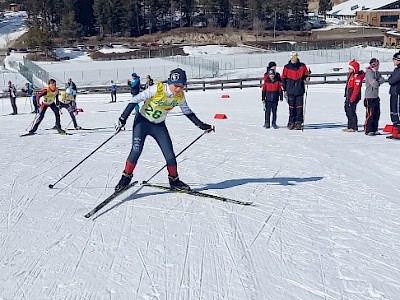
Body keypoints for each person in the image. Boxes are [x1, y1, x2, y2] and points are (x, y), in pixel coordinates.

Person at [114, 68, 213, 192]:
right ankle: (125, 178)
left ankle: (174, 180)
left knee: (170, 155)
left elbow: (187, 112)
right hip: (142, 122)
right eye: (176, 85)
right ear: (170, 82)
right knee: (136, 150)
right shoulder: (158, 88)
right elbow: (135, 100)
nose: (178, 89)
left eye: (182, 86)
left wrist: (201, 125)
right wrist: (123, 118)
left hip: (159, 126)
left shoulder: (180, 96)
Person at [281, 51, 310, 130]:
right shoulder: (287, 67)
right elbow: (283, 78)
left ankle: (298, 122)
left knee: (299, 107)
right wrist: (285, 89)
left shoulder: (302, 66)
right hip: (290, 90)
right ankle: (291, 122)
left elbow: (306, 75)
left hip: (299, 90)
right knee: (291, 107)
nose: (295, 58)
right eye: (294, 57)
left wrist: (307, 77)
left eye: (296, 57)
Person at [364, 58, 385, 136]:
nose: (376, 66)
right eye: (374, 64)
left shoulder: (376, 73)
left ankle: (374, 129)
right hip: (369, 97)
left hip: (376, 96)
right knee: (370, 114)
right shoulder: (369, 73)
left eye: (377, 64)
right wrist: (377, 82)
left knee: (377, 113)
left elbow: (382, 79)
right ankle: (368, 130)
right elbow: (375, 84)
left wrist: (378, 81)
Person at [343, 60, 365, 132]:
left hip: (353, 97)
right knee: (347, 110)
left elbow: (356, 90)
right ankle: (350, 126)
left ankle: (354, 127)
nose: (349, 70)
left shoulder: (357, 77)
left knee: (351, 111)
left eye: (350, 68)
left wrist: (352, 99)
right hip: (348, 96)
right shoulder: (351, 76)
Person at [388, 52, 400, 126]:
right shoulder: (397, 69)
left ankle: (397, 125)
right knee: (393, 109)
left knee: (396, 109)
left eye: (394, 59)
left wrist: (391, 79)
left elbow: (391, 80)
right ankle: (396, 125)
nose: (393, 61)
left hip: (397, 92)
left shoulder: (399, 70)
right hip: (393, 92)